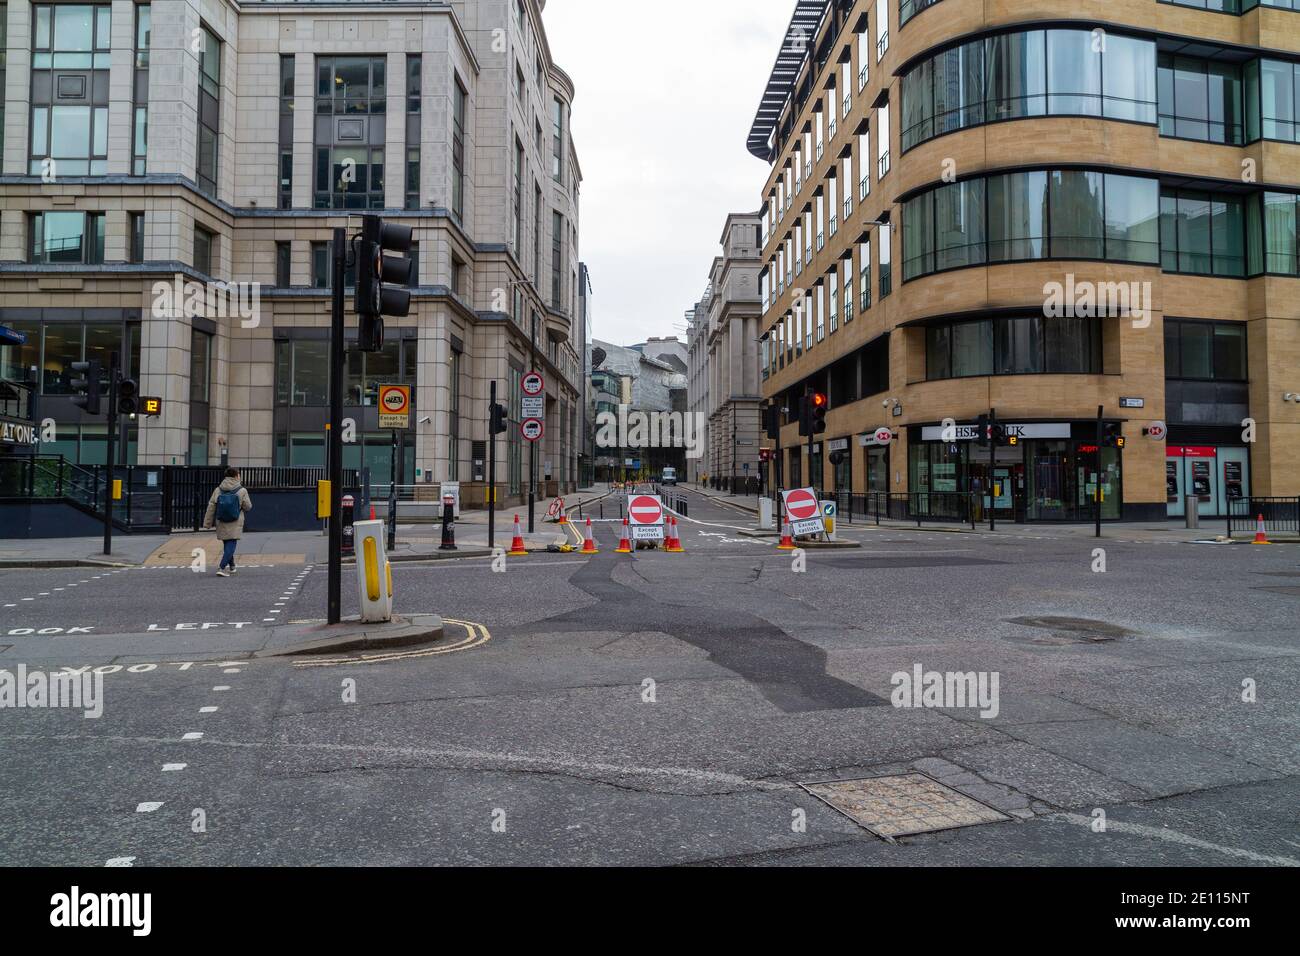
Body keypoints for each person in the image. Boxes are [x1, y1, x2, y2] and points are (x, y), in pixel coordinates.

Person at [203, 467, 252, 577]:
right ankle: (221, 567)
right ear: (236, 476)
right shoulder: (242, 490)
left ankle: (232, 566)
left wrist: (207, 523)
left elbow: (211, 507)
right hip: (235, 521)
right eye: (239, 474)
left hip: (221, 521)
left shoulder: (218, 490)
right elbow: (248, 507)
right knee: (231, 544)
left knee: (227, 543)